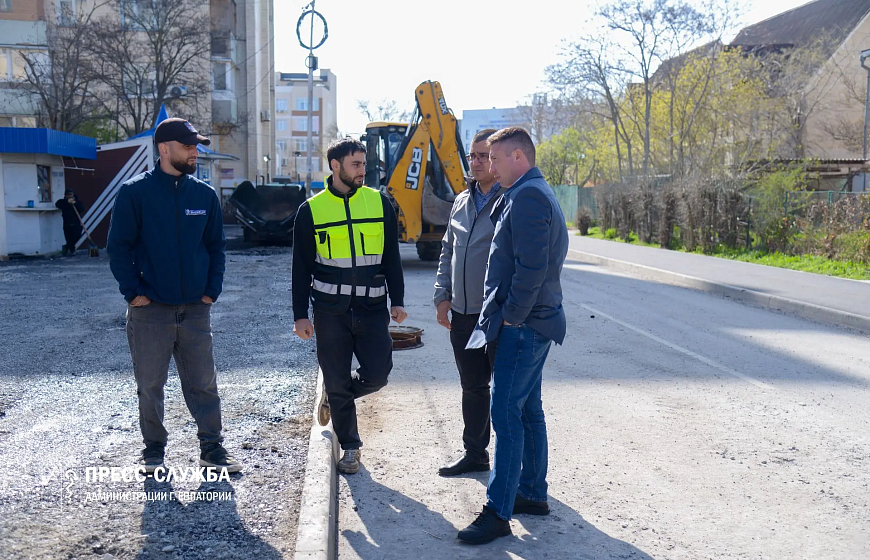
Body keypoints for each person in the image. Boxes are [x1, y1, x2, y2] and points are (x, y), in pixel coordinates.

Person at [107, 118, 241, 475]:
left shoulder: (204, 195)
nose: (195, 151)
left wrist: (212, 289)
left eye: (196, 145)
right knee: (150, 384)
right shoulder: (135, 193)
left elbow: (216, 247)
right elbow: (118, 247)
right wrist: (133, 293)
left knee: (203, 382)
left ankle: (212, 449)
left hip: (196, 309)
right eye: (187, 146)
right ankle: (153, 451)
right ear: (164, 149)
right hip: (150, 310)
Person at [458, 127, 569, 545]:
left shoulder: (529, 196)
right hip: (533, 323)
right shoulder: (529, 191)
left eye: (495, 158)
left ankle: (498, 511)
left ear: (518, 157)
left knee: (505, 414)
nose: (489, 165)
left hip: (525, 326)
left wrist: (512, 319)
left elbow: (532, 268)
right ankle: (532, 493)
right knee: (526, 411)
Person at [292, 138, 407, 475]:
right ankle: (351, 448)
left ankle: (336, 395)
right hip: (330, 311)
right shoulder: (311, 210)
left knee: (378, 374)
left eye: (363, 164)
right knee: (338, 376)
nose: (362, 170)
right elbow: (300, 267)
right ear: (335, 165)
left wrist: (397, 300)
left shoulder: (379, 203)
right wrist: (300, 315)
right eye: (356, 164)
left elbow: (392, 257)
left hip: (372, 308)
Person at [433, 129, 504, 477]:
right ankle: (475, 453)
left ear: (497, 159)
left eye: (482, 156)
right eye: (472, 156)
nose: (475, 162)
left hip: (497, 315)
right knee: (472, 387)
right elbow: (447, 250)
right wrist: (441, 296)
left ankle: (513, 467)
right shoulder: (462, 201)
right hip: (462, 313)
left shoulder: (509, 199)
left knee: (506, 394)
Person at [55, 188, 85, 256]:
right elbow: (58, 204)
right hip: (67, 222)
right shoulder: (62, 202)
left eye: (70, 194)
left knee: (77, 235)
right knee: (68, 237)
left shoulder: (77, 201)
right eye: (68, 195)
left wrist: (75, 203)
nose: (69, 196)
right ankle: (72, 250)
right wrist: (66, 202)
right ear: (65, 195)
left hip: (76, 221)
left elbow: (82, 209)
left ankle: (66, 247)